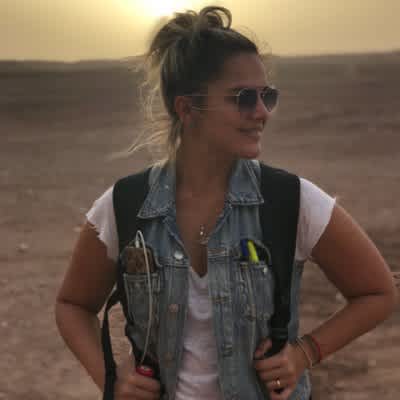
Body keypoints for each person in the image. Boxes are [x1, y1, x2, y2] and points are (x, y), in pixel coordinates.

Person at [55, 6, 398, 400]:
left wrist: (304, 353)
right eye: (244, 98)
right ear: (187, 109)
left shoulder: (290, 200)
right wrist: (112, 380)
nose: (262, 113)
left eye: (267, 96)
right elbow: (72, 305)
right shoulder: (127, 205)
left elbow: (378, 292)